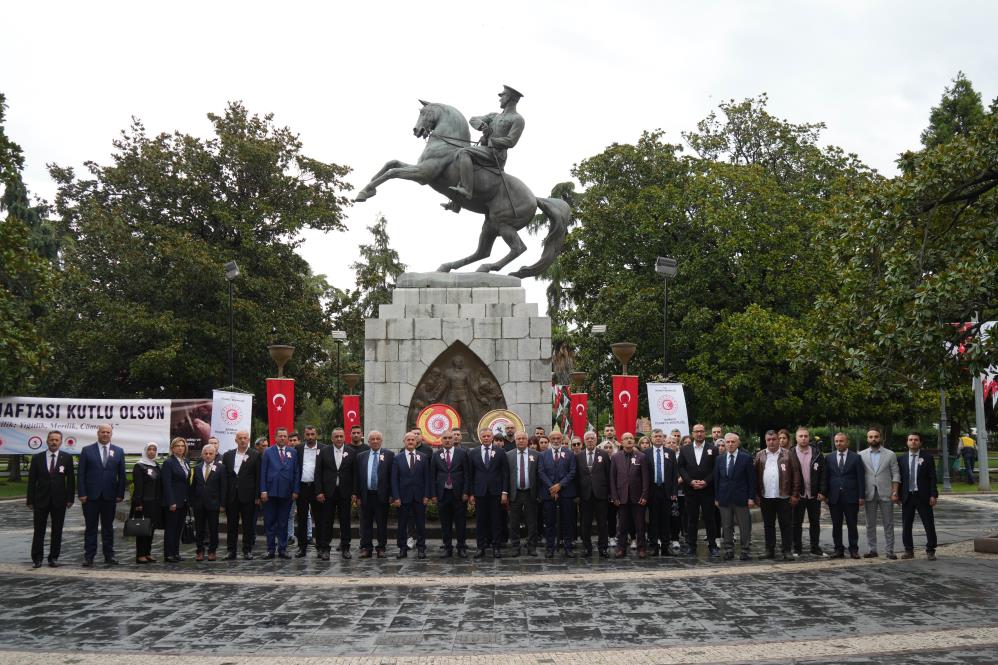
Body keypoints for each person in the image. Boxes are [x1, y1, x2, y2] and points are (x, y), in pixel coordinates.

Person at [447, 85, 525, 205]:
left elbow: (511, 141)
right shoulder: (494, 116)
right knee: (464, 161)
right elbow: (473, 119)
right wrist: (482, 125)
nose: (500, 99)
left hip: (496, 154)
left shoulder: (517, 119)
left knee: (464, 152)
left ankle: (467, 190)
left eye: (502, 96)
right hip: (485, 150)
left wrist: (491, 140)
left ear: (509, 98)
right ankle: (457, 204)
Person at [77, 423, 127, 566]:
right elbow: (81, 474)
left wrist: (120, 494)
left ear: (111, 434)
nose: (105, 434)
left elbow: (122, 475)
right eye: (103, 432)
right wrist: (82, 492)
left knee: (108, 528)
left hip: (109, 496)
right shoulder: (87, 450)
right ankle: (89, 556)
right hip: (90, 497)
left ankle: (109, 555)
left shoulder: (118, 451)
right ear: (98, 433)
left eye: (108, 432)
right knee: (91, 527)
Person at [27, 430, 75, 568]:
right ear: (47, 441)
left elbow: (71, 480)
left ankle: (53, 557)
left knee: (57, 530)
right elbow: (31, 481)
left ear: (60, 442)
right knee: (39, 530)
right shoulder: (37, 458)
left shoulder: (66, 458)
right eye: (51, 439)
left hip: (59, 501)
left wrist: (70, 498)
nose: (54, 442)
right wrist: (30, 500)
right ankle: (37, 558)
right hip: (40, 500)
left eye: (57, 440)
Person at [754, 430, 801, 560]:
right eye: (768, 440)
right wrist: (756, 495)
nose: (772, 442)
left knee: (786, 524)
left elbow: (796, 475)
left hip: (784, 496)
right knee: (768, 525)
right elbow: (755, 476)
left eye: (774, 439)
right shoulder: (760, 455)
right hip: (766, 496)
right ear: (765, 441)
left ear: (778, 439)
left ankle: (787, 550)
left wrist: (795, 494)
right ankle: (769, 550)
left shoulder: (788, 454)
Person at [678, 423, 719, 557]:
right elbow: (681, 468)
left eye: (701, 431)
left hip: (707, 490)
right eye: (697, 432)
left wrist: (706, 481)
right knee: (691, 519)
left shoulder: (713, 449)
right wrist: (690, 481)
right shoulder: (685, 449)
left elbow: (715, 469)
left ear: (705, 432)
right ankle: (691, 546)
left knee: (710, 519)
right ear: (693, 433)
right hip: (691, 490)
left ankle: (712, 546)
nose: (699, 434)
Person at [859, 428, 900, 559]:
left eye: (876, 436)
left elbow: (896, 473)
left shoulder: (890, 454)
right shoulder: (861, 455)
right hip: (869, 493)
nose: (873, 439)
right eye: (870, 437)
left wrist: (895, 491)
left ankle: (890, 550)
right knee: (869, 523)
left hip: (886, 493)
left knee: (888, 523)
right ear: (867, 439)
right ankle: (872, 550)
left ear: (880, 438)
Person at [714, 432, 756, 561]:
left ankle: (745, 550)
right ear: (725, 444)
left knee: (744, 526)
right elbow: (717, 479)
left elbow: (751, 480)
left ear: (737, 443)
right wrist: (716, 497)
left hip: (741, 498)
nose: (730, 444)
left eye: (733, 442)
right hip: (724, 498)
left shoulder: (746, 458)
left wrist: (751, 497)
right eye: (728, 442)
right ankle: (728, 550)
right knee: (726, 526)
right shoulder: (719, 459)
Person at [259, 427, 300, 559]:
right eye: (280, 436)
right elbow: (263, 472)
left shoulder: (293, 452)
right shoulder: (268, 452)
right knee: (270, 522)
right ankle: (270, 549)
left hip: (287, 493)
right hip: (270, 493)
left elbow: (296, 472)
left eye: (284, 436)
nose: (282, 438)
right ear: (275, 437)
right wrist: (263, 490)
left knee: (283, 522)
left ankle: (282, 549)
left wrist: (295, 490)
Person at [315, 427, 355, 560]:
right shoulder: (324, 451)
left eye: (341, 436)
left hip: (345, 492)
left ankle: (346, 548)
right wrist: (319, 491)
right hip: (328, 493)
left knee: (345, 521)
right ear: (332, 438)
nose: (338, 439)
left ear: (345, 438)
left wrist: (354, 492)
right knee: (327, 521)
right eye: (336, 436)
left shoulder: (351, 451)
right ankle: (325, 549)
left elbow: (355, 474)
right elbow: (318, 473)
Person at [468, 427, 508, 558]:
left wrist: (504, 492)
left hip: (496, 492)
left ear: (492, 437)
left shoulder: (500, 452)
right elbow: (471, 475)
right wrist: (471, 494)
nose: (486, 438)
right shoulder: (473, 452)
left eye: (488, 436)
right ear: (480, 437)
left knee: (496, 521)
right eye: (483, 436)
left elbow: (505, 474)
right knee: (480, 521)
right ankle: (481, 547)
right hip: (480, 492)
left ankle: (496, 547)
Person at [898, 432, 938, 560]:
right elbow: (899, 479)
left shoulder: (927, 458)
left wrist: (933, 494)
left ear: (920, 442)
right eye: (910, 439)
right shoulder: (901, 459)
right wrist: (898, 494)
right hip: (907, 496)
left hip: (923, 496)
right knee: (906, 524)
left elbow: (932, 478)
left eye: (916, 440)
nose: (913, 442)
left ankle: (930, 550)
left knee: (928, 524)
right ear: (907, 442)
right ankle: (909, 550)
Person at [824, 432, 865, 559]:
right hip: (834, 497)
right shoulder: (829, 458)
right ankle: (838, 549)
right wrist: (825, 494)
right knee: (836, 525)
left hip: (851, 496)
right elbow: (826, 478)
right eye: (836, 441)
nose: (839, 443)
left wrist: (861, 496)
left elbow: (861, 478)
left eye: (841, 441)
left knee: (852, 524)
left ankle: (854, 549)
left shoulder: (856, 458)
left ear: (847, 442)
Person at [391, 432, 431, 558]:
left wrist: (426, 496)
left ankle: (421, 548)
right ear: (404, 441)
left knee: (420, 525)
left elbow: (427, 478)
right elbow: (394, 479)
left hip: (419, 497)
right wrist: (396, 497)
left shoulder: (423, 457)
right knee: (402, 525)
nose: (410, 442)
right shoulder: (397, 458)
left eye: (413, 440)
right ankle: (402, 549)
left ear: (416, 442)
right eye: (408, 439)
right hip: (403, 497)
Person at [609, 433, 649, 557]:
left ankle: (641, 548)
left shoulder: (641, 456)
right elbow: (612, 478)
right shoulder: (616, 457)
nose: (629, 440)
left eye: (631, 438)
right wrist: (614, 496)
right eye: (626, 438)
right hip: (622, 497)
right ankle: (621, 548)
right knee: (622, 526)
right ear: (622, 442)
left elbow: (646, 478)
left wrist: (644, 495)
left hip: (638, 497)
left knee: (640, 525)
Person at [431, 430, 471, 558]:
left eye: (450, 438)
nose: (448, 440)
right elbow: (432, 476)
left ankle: (461, 547)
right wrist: (434, 495)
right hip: (443, 494)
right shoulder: (436, 455)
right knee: (445, 523)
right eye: (445, 438)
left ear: (454, 439)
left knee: (461, 523)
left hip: (458, 494)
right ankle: (447, 547)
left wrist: (466, 492)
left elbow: (467, 474)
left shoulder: (462, 454)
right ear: (441, 440)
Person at [538, 430, 577, 558]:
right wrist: (552, 488)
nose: (556, 440)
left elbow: (572, 472)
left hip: (566, 493)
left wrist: (560, 486)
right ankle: (550, 548)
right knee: (549, 522)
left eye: (558, 438)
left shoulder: (569, 454)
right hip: (548, 494)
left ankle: (568, 547)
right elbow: (541, 472)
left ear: (562, 439)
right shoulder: (543, 455)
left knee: (567, 521)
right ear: (549, 440)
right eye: (553, 438)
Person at [222, 430, 260, 560]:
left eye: (245, 438)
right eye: (240, 438)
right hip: (231, 496)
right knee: (231, 525)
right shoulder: (227, 455)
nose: (243, 440)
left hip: (248, 496)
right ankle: (231, 551)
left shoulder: (255, 455)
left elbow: (257, 477)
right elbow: (225, 478)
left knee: (248, 525)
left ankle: (247, 550)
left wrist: (257, 496)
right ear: (236, 440)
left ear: (249, 440)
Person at [355, 431, 394, 558]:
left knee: (382, 523)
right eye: (372, 439)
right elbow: (358, 477)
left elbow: (392, 477)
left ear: (381, 441)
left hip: (382, 496)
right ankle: (367, 548)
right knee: (366, 523)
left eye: (378, 439)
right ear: (368, 441)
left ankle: (381, 548)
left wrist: (392, 494)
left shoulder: (389, 455)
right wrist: (357, 495)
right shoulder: (361, 456)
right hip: (366, 495)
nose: (375, 441)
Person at [789, 428, 827, 557]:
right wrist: (791, 493)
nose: (803, 438)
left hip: (814, 494)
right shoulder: (790, 453)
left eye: (805, 436)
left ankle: (815, 547)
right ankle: (797, 548)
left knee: (815, 522)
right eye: (801, 436)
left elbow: (823, 474)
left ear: (809, 437)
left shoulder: (817, 453)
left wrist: (822, 491)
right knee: (796, 523)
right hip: (798, 494)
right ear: (796, 438)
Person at [505, 431, 539, 557]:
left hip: (531, 493)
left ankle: (531, 546)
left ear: (527, 440)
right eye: (518, 438)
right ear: (515, 440)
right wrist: (505, 493)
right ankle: (515, 546)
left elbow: (538, 475)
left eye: (523, 438)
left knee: (532, 521)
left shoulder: (536, 455)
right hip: (515, 493)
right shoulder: (508, 455)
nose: (521, 441)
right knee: (514, 522)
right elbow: (506, 475)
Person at [577, 431, 611, 557]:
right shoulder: (579, 456)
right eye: (588, 439)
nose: (590, 440)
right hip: (585, 495)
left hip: (601, 495)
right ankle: (587, 548)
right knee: (585, 523)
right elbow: (577, 477)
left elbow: (608, 475)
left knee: (602, 522)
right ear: (584, 441)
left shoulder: (603, 454)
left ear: (596, 440)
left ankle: (603, 548)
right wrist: (577, 495)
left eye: (592, 438)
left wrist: (609, 493)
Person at [190, 443, 226, 561]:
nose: (208, 455)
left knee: (213, 528)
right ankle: (199, 551)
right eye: (206, 453)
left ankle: (212, 551)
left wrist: (222, 504)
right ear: (202, 455)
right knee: (199, 529)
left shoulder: (221, 468)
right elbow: (193, 486)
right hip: (199, 504)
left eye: (211, 453)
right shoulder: (197, 467)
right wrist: (192, 502)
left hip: (214, 504)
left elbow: (223, 487)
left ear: (215, 454)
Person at [645, 429, 678, 556]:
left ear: (663, 438)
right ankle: (654, 545)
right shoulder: (645, 453)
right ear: (651, 438)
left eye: (660, 436)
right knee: (653, 519)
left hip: (666, 490)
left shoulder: (670, 452)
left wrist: (674, 491)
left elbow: (674, 473)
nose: (658, 438)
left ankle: (665, 545)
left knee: (666, 519)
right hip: (652, 490)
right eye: (655, 436)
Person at [294, 425, 324, 558]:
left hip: (317, 489)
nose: (310, 437)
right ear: (304, 435)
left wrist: (322, 490)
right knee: (302, 519)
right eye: (308, 434)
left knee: (320, 518)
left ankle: (321, 547)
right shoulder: (298, 449)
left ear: (316, 434)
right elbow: (295, 469)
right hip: (302, 488)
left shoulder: (323, 448)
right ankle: (302, 547)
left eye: (312, 434)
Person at [130, 442, 162, 564]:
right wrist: (138, 503)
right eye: (149, 449)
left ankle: (148, 552)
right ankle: (140, 554)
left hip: (155, 502)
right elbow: (138, 486)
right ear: (145, 450)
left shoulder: (156, 465)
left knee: (151, 529)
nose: (152, 452)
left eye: (154, 449)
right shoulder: (139, 466)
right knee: (142, 528)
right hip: (143, 503)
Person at [161, 437, 191, 563]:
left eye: (182, 446)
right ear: (172, 448)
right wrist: (171, 501)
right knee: (171, 529)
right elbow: (166, 484)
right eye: (177, 446)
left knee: (179, 528)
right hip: (173, 501)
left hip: (183, 501)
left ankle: (176, 553)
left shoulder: (186, 462)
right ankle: (168, 554)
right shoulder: (169, 462)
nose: (180, 448)